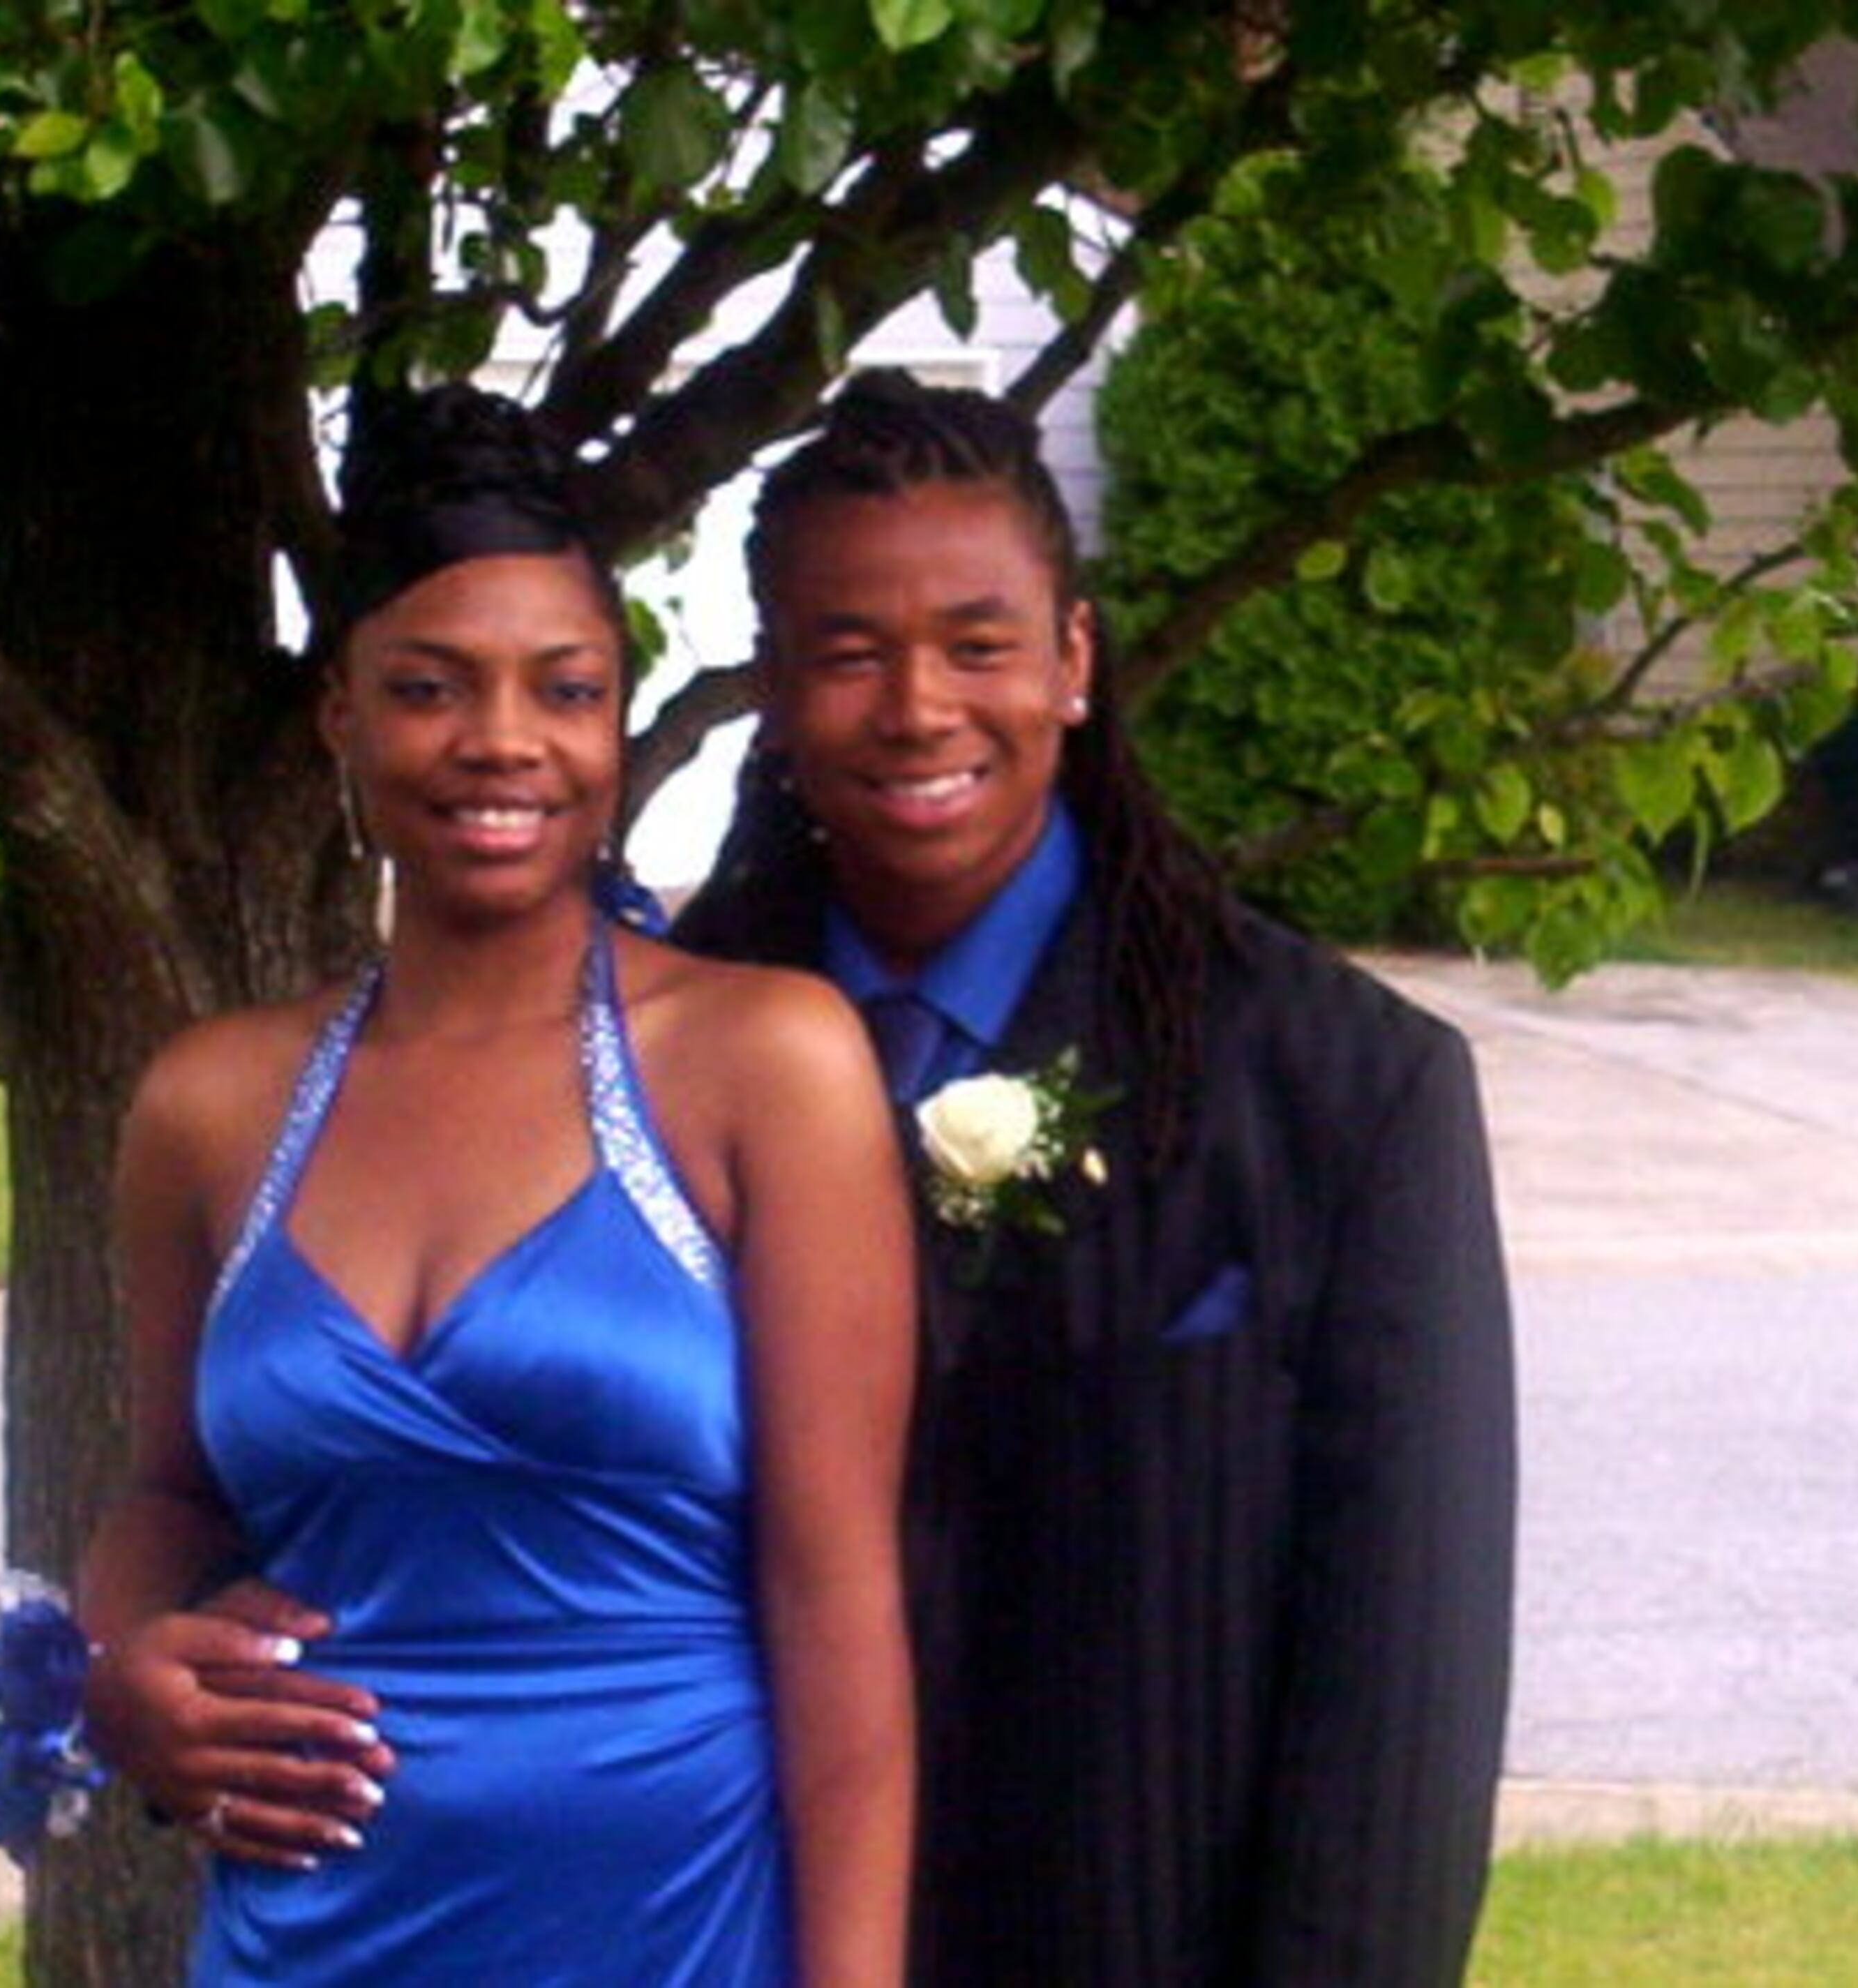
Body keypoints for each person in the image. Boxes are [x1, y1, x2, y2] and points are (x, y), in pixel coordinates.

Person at [666, 371, 1518, 1985]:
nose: (919, 707)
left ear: (1072, 662)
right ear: (774, 689)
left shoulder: (1348, 1094)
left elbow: (1400, 1703)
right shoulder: (639, 1073)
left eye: (979, 644)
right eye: (849, 654)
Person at [75, 385, 917, 1987]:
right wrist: (119, 1673)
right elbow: (169, 1495)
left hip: (670, 1919)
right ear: (340, 715)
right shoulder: (211, 1104)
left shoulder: (761, 1063)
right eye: (429, 689)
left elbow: (838, 1605)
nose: (503, 743)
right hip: (312, 1921)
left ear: (617, 721)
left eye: (566, 689)